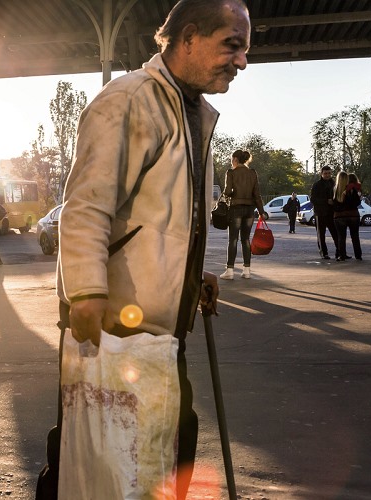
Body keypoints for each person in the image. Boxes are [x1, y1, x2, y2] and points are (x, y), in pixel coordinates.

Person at [35, 0, 248, 497]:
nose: (241, 62)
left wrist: (196, 278)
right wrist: (86, 292)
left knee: (165, 455)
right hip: (114, 329)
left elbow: (166, 218)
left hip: (160, 338)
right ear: (189, 37)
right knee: (91, 464)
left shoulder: (191, 111)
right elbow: (87, 204)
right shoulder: (129, 99)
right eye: (232, 45)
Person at [220, 149, 267, 279]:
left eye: (232, 159)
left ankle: (229, 271)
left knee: (233, 240)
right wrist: (262, 212)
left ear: (235, 159)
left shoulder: (231, 173)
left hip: (235, 209)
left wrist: (227, 191)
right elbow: (257, 195)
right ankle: (246, 270)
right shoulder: (252, 173)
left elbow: (228, 191)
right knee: (245, 239)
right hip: (249, 210)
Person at [310, 165, 339, 259]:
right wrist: (326, 201)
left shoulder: (334, 184)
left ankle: (340, 252)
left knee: (336, 233)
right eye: (325, 173)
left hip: (331, 213)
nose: (327, 175)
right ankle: (324, 253)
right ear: (321, 174)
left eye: (329, 173)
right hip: (320, 213)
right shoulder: (317, 185)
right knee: (321, 234)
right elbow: (313, 199)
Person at [332, 172, 362, 261]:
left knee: (341, 237)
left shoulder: (335, 190)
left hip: (339, 216)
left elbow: (333, 204)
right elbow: (357, 202)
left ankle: (342, 255)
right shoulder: (353, 189)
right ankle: (358, 255)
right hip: (353, 215)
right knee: (355, 236)